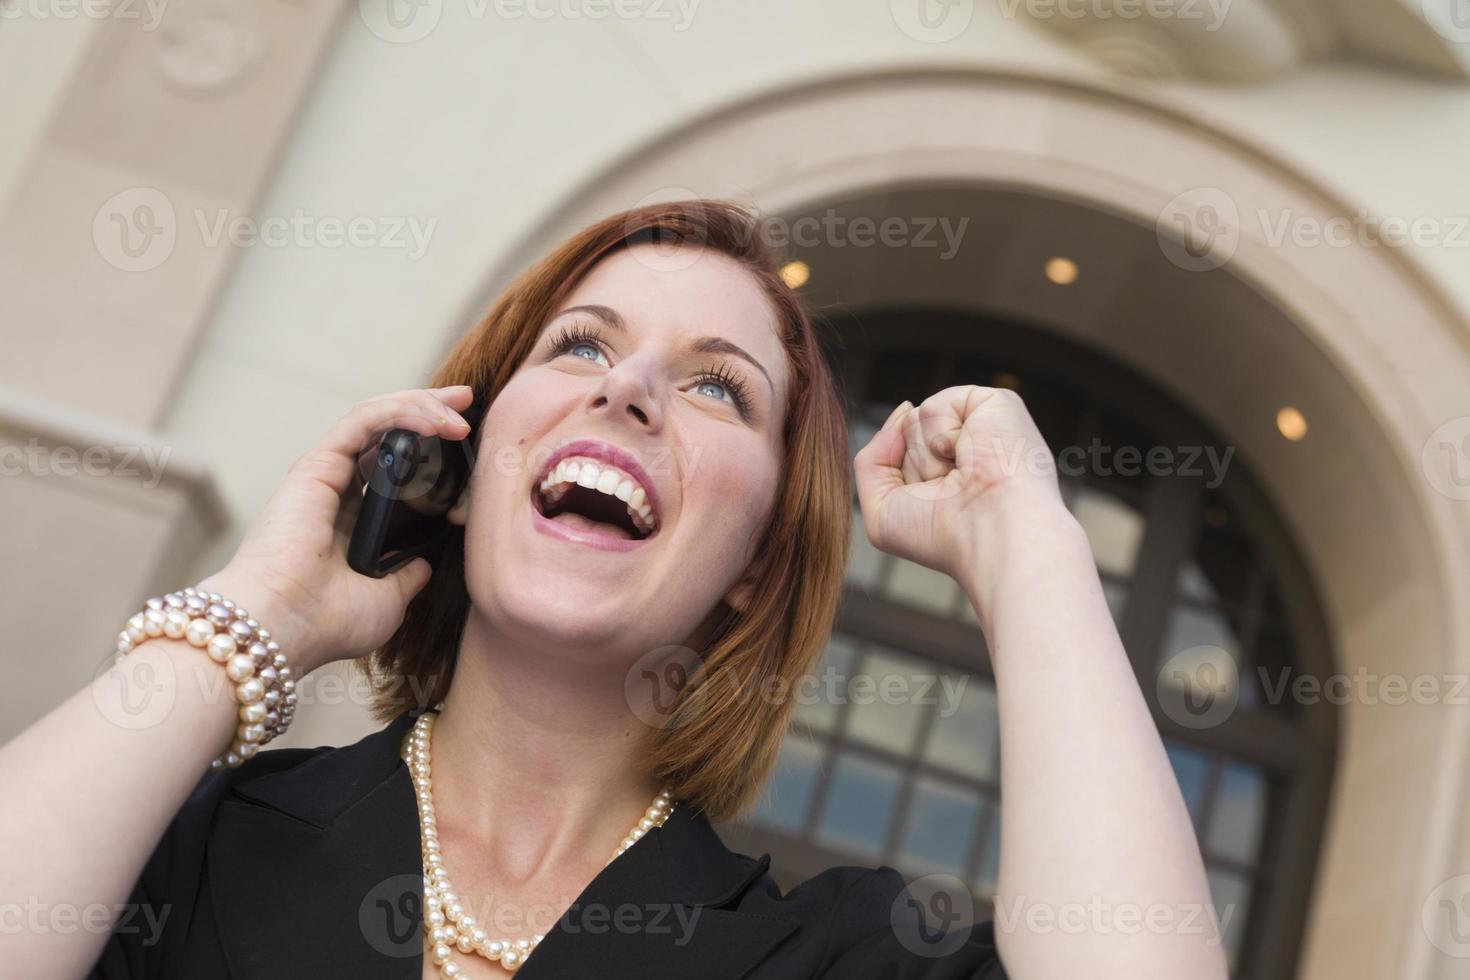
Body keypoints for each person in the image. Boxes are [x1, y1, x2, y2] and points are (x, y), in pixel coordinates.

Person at [0, 200, 1228, 979]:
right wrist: (246, 624)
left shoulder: (822, 956)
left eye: (717, 387)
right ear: (466, 468)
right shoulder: (185, 841)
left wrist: (1033, 546)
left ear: (756, 562)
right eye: (581, 344)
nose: (627, 387)